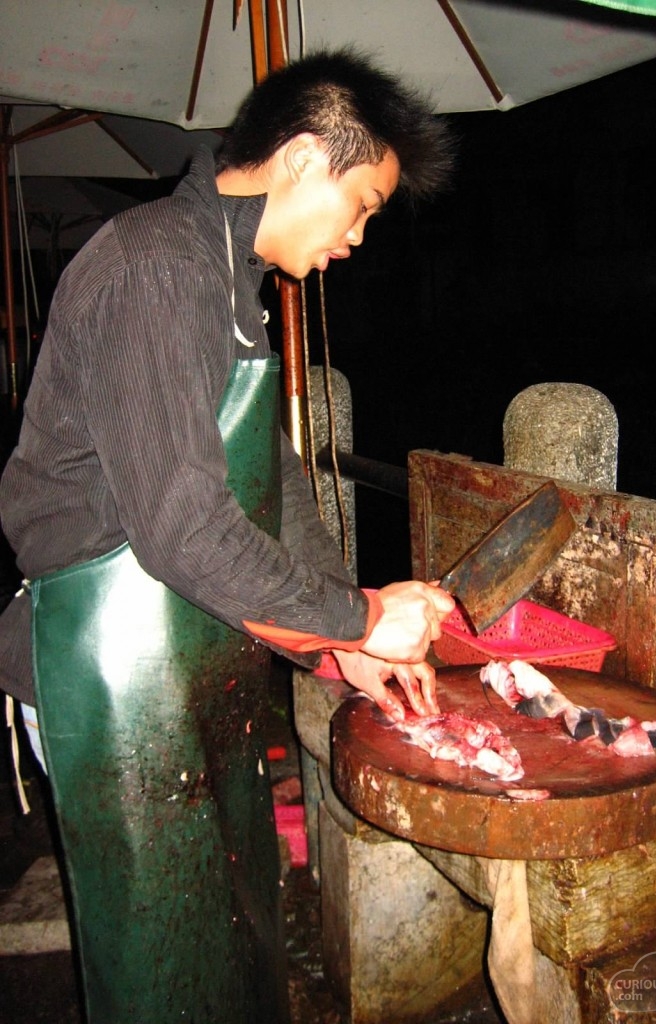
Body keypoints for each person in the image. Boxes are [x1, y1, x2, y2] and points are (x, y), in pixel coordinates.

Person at [0, 49, 456, 1023]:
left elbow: (272, 481)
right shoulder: (156, 269)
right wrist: (365, 613)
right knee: (160, 963)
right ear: (299, 162)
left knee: (233, 933)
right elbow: (182, 527)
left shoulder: (227, 280)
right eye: (362, 204)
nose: (359, 237)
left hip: (187, 654)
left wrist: (341, 641)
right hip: (105, 671)